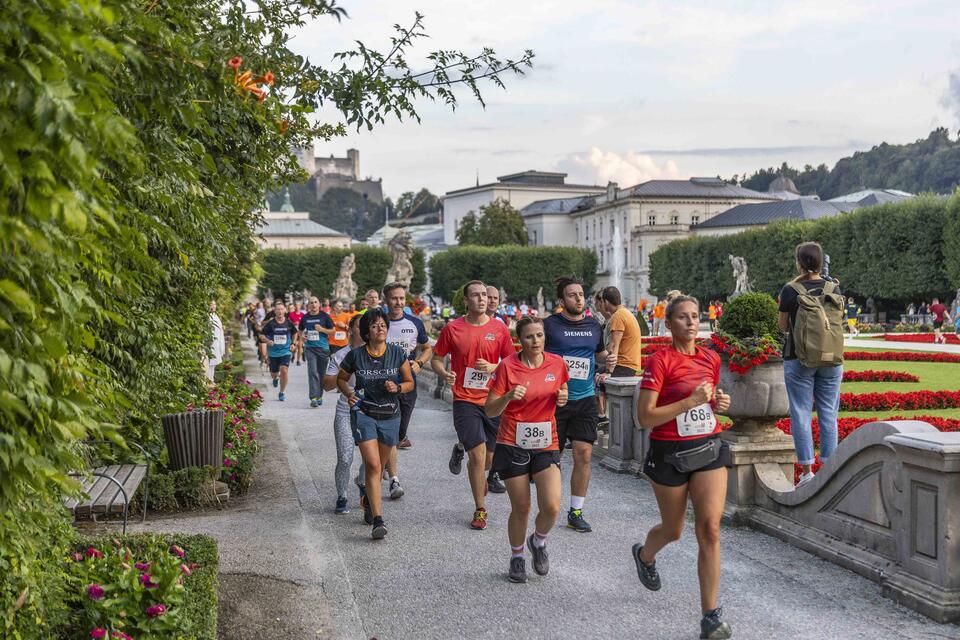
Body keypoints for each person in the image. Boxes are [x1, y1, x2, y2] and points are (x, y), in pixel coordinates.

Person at [633, 295, 733, 640]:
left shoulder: (710, 358)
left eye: (696, 316)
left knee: (709, 529)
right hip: (669, 454)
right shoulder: (661, 361)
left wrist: (718, 402)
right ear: (669, 323)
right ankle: (646, 555)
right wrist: (688, 402)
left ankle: (710, 616)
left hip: (708, 448)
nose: (692, 322)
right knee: (674, 530)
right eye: (683, 317)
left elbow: (710, 402)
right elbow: (644, 416)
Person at [485, 316, 569, 583]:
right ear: (519, 340)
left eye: (539, 335)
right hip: (513, 443)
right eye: (530, 336)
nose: (535, 341)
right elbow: (490, 409)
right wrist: (508, 397)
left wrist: (563, 397)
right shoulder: (507, 368)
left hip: (546, 442)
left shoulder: (556, 363)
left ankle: (539, 541)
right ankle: (517, 556)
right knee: (521, 507)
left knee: (553, 507)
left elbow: (562, 388)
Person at [432, 280, 515, 529]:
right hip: (465, 399)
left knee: (489, 460)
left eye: (484, 295)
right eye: (475, 296)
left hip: (493, 399)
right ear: (466, 301)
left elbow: (512, 363)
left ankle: (462, 451)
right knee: (478, 458)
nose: (481, 299)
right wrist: (443, 374)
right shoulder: (452, 329)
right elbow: (437, 358)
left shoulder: (499, 330)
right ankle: (480, 509)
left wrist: (494, 367)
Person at [337, 308, 414, 539]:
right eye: (374, 326)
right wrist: (348, 392)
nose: (380, 328)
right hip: (365, 413)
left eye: (383, 325)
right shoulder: (356, 356)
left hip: (391, 415)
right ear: (367, 332)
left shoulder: (397, 354)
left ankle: (369, 502)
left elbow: (410, 382)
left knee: (379, 468)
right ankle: (378, 521)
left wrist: (398, 388)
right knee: (371, 465)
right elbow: (341, 378)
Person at [543, 276, 606, 533]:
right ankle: (550, 504)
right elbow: (536, 354)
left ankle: (576, 511)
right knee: (552, 458)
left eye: (580, 294)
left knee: (584, 454)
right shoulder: (550, 325)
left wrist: (606, 362)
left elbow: (599, 354)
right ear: (561, 300)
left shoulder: (594, 326)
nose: (578, 299)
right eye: (572, 295)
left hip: (585, 399)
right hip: (555, 400)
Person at [778, 241, 843, 484]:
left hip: (799, 359)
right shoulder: (833, 287)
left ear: (798, 262)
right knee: (829, 413)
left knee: (801, 413)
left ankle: (807, 472)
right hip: (832, 359)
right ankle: (830, 469)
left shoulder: (790, 290)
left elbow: (783, 327)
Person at [382, 282, 432, 498]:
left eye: (402, 298)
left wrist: (419, 363)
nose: (399, 302)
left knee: (400, 432)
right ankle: (393, 479)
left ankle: (382, 463)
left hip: (407, 383)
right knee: (390, 432)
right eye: (394, 298)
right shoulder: (379, 323)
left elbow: (427, 348)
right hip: (382, 384)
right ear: (386, 300)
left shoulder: (414, 323)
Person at [323, 314, 365, 514]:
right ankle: (342, 496)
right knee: (345, 457)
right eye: (360, 326)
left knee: (372, 460)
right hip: (346, 410)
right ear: (351, 330)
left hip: (370, 411)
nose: (365, 330)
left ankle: (363, 483)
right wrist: (342, 371)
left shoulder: (374, 353)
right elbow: (327, 386)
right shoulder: (339, 355)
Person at [298, 296, 336, 408]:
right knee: (312, 372)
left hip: (323, 349)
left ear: (319, 304)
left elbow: (333, 332)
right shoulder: (305, 317)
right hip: (310, 348)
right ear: (308, 305)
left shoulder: (325, 316)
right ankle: (313, 397)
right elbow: (300, 331)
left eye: (315, 302)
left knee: (321, 374)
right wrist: (302, 337)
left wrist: (322, 330)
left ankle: (319, 395)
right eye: (311, 303)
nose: (313, 304)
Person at [596, 286, 642, 377]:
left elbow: (613, 345)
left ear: (606, 302)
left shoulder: (618, 316)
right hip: (629, 365)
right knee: (595, 372)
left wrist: (608, 372)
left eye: (602, 302)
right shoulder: (625, 312)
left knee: (594, 377)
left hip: (623, 366)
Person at [259, 300, 298, 401]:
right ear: (275, 311)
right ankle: (275, 378)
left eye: (281, 309)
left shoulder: (289, 322)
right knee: (274, 373)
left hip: (286, 351)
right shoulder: (271, 323)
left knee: (284, 370)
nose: (280, 311)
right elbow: (261, 335)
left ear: (285, 310)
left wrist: (293, 343)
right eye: (278, 310)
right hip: (273, 353)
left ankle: (282, 392)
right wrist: (268, 341)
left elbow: (295, 333)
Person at [207, 300, 226, 381]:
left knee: (213, 364)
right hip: (211, 343)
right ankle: (209, 381)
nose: (214, 306)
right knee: (210, 363)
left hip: (217, 342)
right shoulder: (208, 316)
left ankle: (211, 380)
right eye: (212, 304)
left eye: (215, 304)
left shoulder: (215, 315)